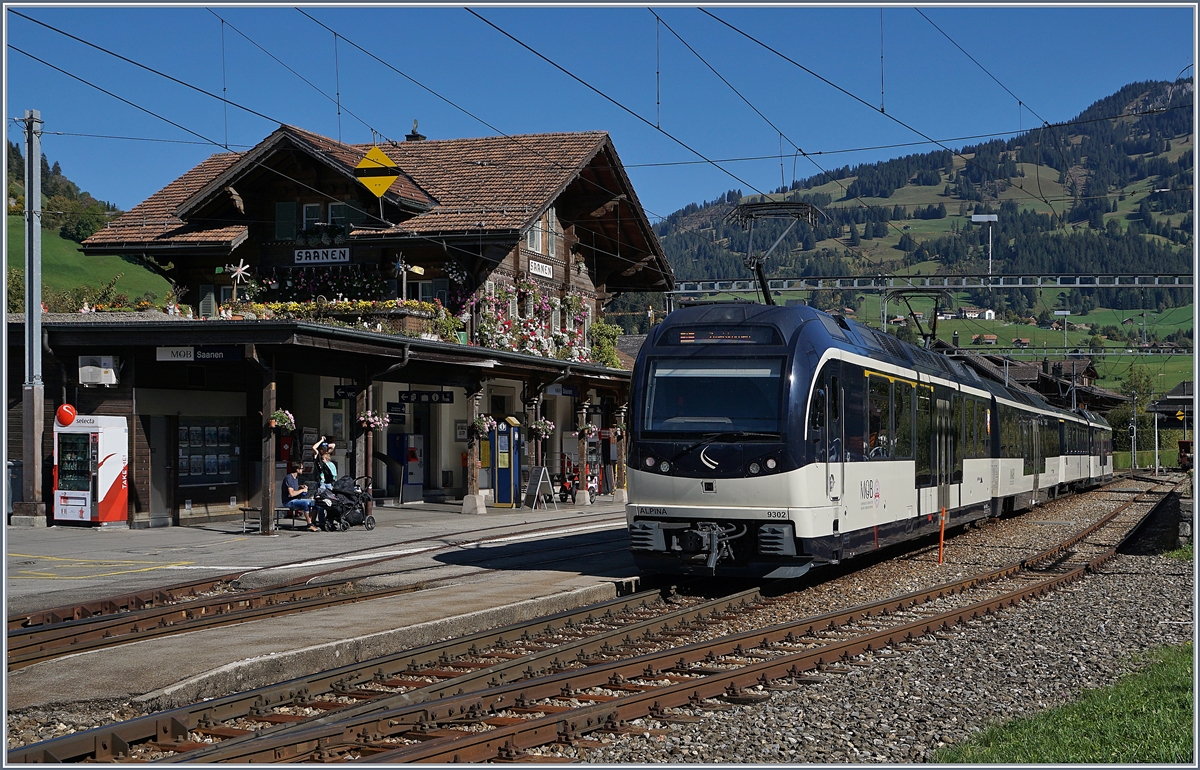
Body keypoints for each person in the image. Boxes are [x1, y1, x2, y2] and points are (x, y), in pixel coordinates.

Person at [282, 462, 321, 531]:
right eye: (302, 468)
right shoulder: (289, 478)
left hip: (295, 499)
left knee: (315, 503)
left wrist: (300, 486)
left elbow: (293, 487)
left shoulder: (295, 478)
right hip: (288, 501)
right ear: (297, 469)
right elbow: (291, 493)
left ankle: (312, 522)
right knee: (305, 504)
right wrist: (302, 490)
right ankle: (309, 525)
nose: (303, 470)